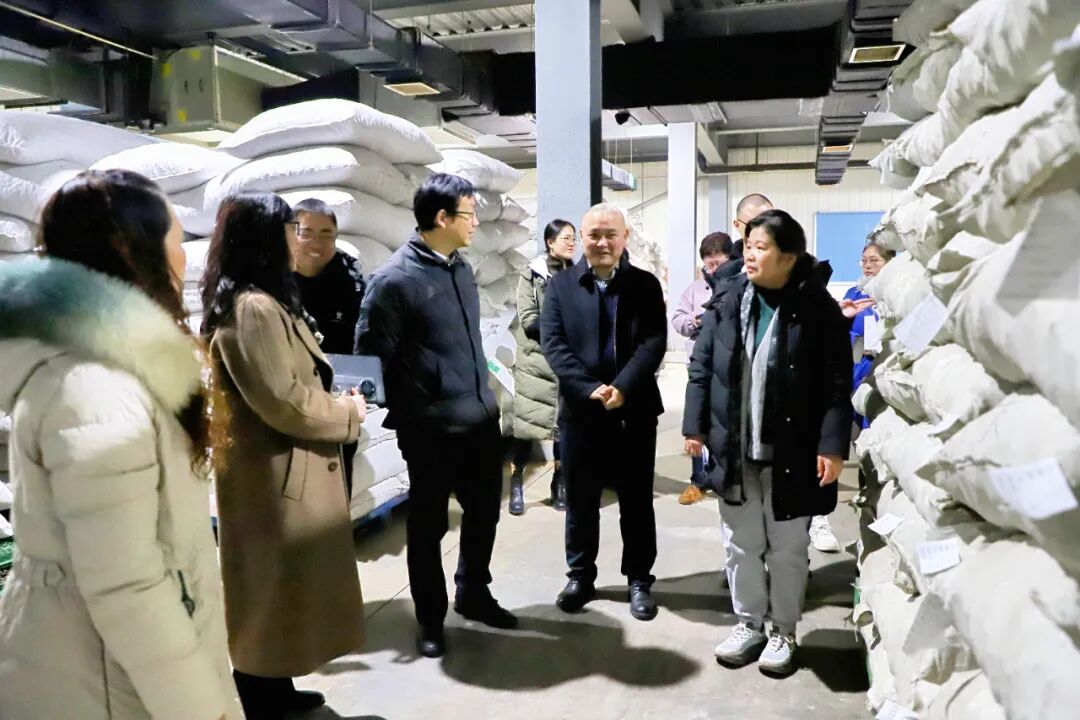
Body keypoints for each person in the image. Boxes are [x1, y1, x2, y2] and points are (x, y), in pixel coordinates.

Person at [0, 170, 243, 719]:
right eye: (175, 239)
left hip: (111, 667)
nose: (184, 258)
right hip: (104, 681)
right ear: (131, 251)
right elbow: (125, 585)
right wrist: (202, 710)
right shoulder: (95, 391)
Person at [202, 192, 367, 719]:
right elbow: (284, 401)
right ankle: (263, 700)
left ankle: (276, 689)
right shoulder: (253, 309)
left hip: (281, 469)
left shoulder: (264, 301)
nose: (298, 240)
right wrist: (346, 413)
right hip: (272, 476)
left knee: (280, 590)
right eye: (290, 229)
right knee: (267, 590)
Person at [683, 209, 853, 676]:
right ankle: (748, 624)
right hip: (735, 445)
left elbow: (838, 383)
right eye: (749, 247)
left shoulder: (817, 309)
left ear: (789, 257)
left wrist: (832, 445)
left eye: (762, 248)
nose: (751, 256)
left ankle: (784, 630)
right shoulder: (729, 298)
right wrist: (695, 426)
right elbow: (702, 365)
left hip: (793, 450)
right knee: (740, 543)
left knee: (787, 548)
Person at [355, 173, 517, 660]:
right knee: (428, 528)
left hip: (479, 420)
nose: (475, 223)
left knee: (484, 513)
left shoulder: (461, 269)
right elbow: (370, 360)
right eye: (468, 214)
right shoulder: (394, 281)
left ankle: (474, 593)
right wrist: (416, 405)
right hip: (430, 430)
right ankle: (430, 617)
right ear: (442, 218)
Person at [540, 203, 668, 622]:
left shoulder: (645, 285)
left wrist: (623, 387)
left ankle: (639, 580)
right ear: (582, 237)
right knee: (580, 501)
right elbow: (553, 344)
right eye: (594, 234)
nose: (602, 242)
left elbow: (654, 341)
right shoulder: (561, 287)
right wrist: (589, 388)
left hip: (634, 411)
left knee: (636, 501)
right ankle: (580, 576)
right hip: (581, 414)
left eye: (611, 234)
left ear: (624, 237)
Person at [290, 197, 366, 498]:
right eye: (307, 232)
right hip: (291, 398)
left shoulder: (350, 281)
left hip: (339, 399)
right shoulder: (273, 281)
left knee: (336, 487)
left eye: (326, 234)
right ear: (290, 233)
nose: (316, 243)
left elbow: (363, 338)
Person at [508, 219, 576, 516]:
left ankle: (559, 483)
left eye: (573, 238)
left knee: (562, 426)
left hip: (565, 362)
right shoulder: (531, 275)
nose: (571, 243)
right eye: (565, 238)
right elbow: (528, 319)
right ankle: (516, 482)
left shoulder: (577, 275)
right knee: (527, 426)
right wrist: (560, 326)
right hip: (535, 362)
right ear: (550, 242)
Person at [671, 231, 734, 505]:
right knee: (697, 422)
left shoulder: (738, 286)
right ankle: (698, 480)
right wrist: (695, 322)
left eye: (718, 260)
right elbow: (677, 319)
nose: (713, 266)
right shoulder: (695, 290)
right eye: (708, 261)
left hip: (728, 369)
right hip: (699, 364)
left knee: (724, 423)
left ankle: (725, 477)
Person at [841, 242, 895, 428]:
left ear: (890, 263)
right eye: (864, 261)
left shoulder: (895, 294)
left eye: (874, 260)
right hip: (857, 363)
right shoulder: (854, 294)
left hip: (884, 362)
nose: (867, 265)